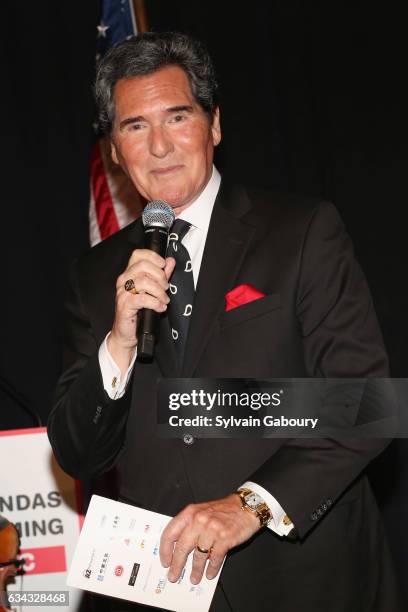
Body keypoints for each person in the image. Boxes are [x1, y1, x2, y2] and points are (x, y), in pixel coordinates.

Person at [48, 32, 401, 611]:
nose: (159, 146)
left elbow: (367, 404)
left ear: (213, 126)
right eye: (135, 126)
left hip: (304, 584)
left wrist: (249, 506)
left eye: (177, 118)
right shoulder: (95, 277)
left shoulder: (301, 232)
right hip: (164, 591)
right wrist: (120, 341)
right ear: (113, 150)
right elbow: (77, 453)